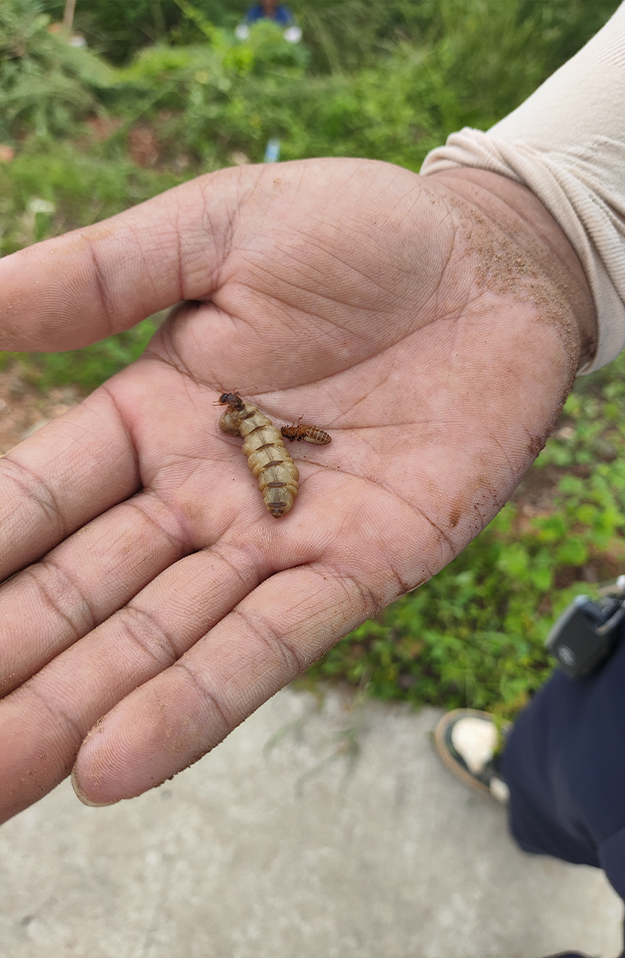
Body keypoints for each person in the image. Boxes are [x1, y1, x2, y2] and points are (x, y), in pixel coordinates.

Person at [0, 2, 623, 954]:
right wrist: (541, 219)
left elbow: (281, 442)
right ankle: (524, 787)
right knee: (573, 760)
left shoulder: (262, 432)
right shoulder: (260, 428)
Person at [235, 0, 301, 43]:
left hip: (279, 43)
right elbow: (243, 27)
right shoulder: (253, 11)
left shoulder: (284, 12)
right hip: (256, 42)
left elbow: (292, 29)